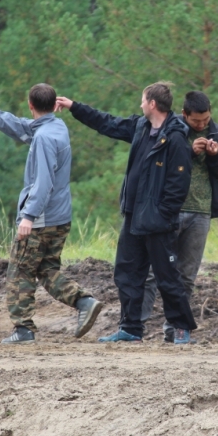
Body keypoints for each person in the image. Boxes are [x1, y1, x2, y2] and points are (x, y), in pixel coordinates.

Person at [0, 84, 103, 345]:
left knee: (19, 271)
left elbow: (43, 182)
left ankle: (23, 329)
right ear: (53, 106)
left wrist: (28, 216)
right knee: (47, 270)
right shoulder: (56, 127)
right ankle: (84, 302)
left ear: (30, 104)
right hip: (60, 217)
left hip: (41, 219)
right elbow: (19, 126)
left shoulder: (44, 138)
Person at [55, 82, 198, 343]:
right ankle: (131, 329)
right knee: (127, 273)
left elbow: (178, 185)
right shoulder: (140, 127)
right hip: (133, 217)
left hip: (158, 222)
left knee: (167, 278)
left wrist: (162, 215)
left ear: (152, 103)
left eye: (143, 100)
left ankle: (180, 329)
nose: (140, 104)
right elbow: (106, 123)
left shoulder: (176, 137)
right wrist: (75, 107)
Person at [140, 91, 218, 342]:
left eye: (205, 120)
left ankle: (176, 327)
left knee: (186, 275)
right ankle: (135, 325)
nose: (201, 125)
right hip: (170, 210)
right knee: (151, 272)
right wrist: (189, 152)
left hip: (201, 212)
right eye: (196, 121)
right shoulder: (172, 131)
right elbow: (159, 166)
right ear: (184, 114)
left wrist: (214, 157)